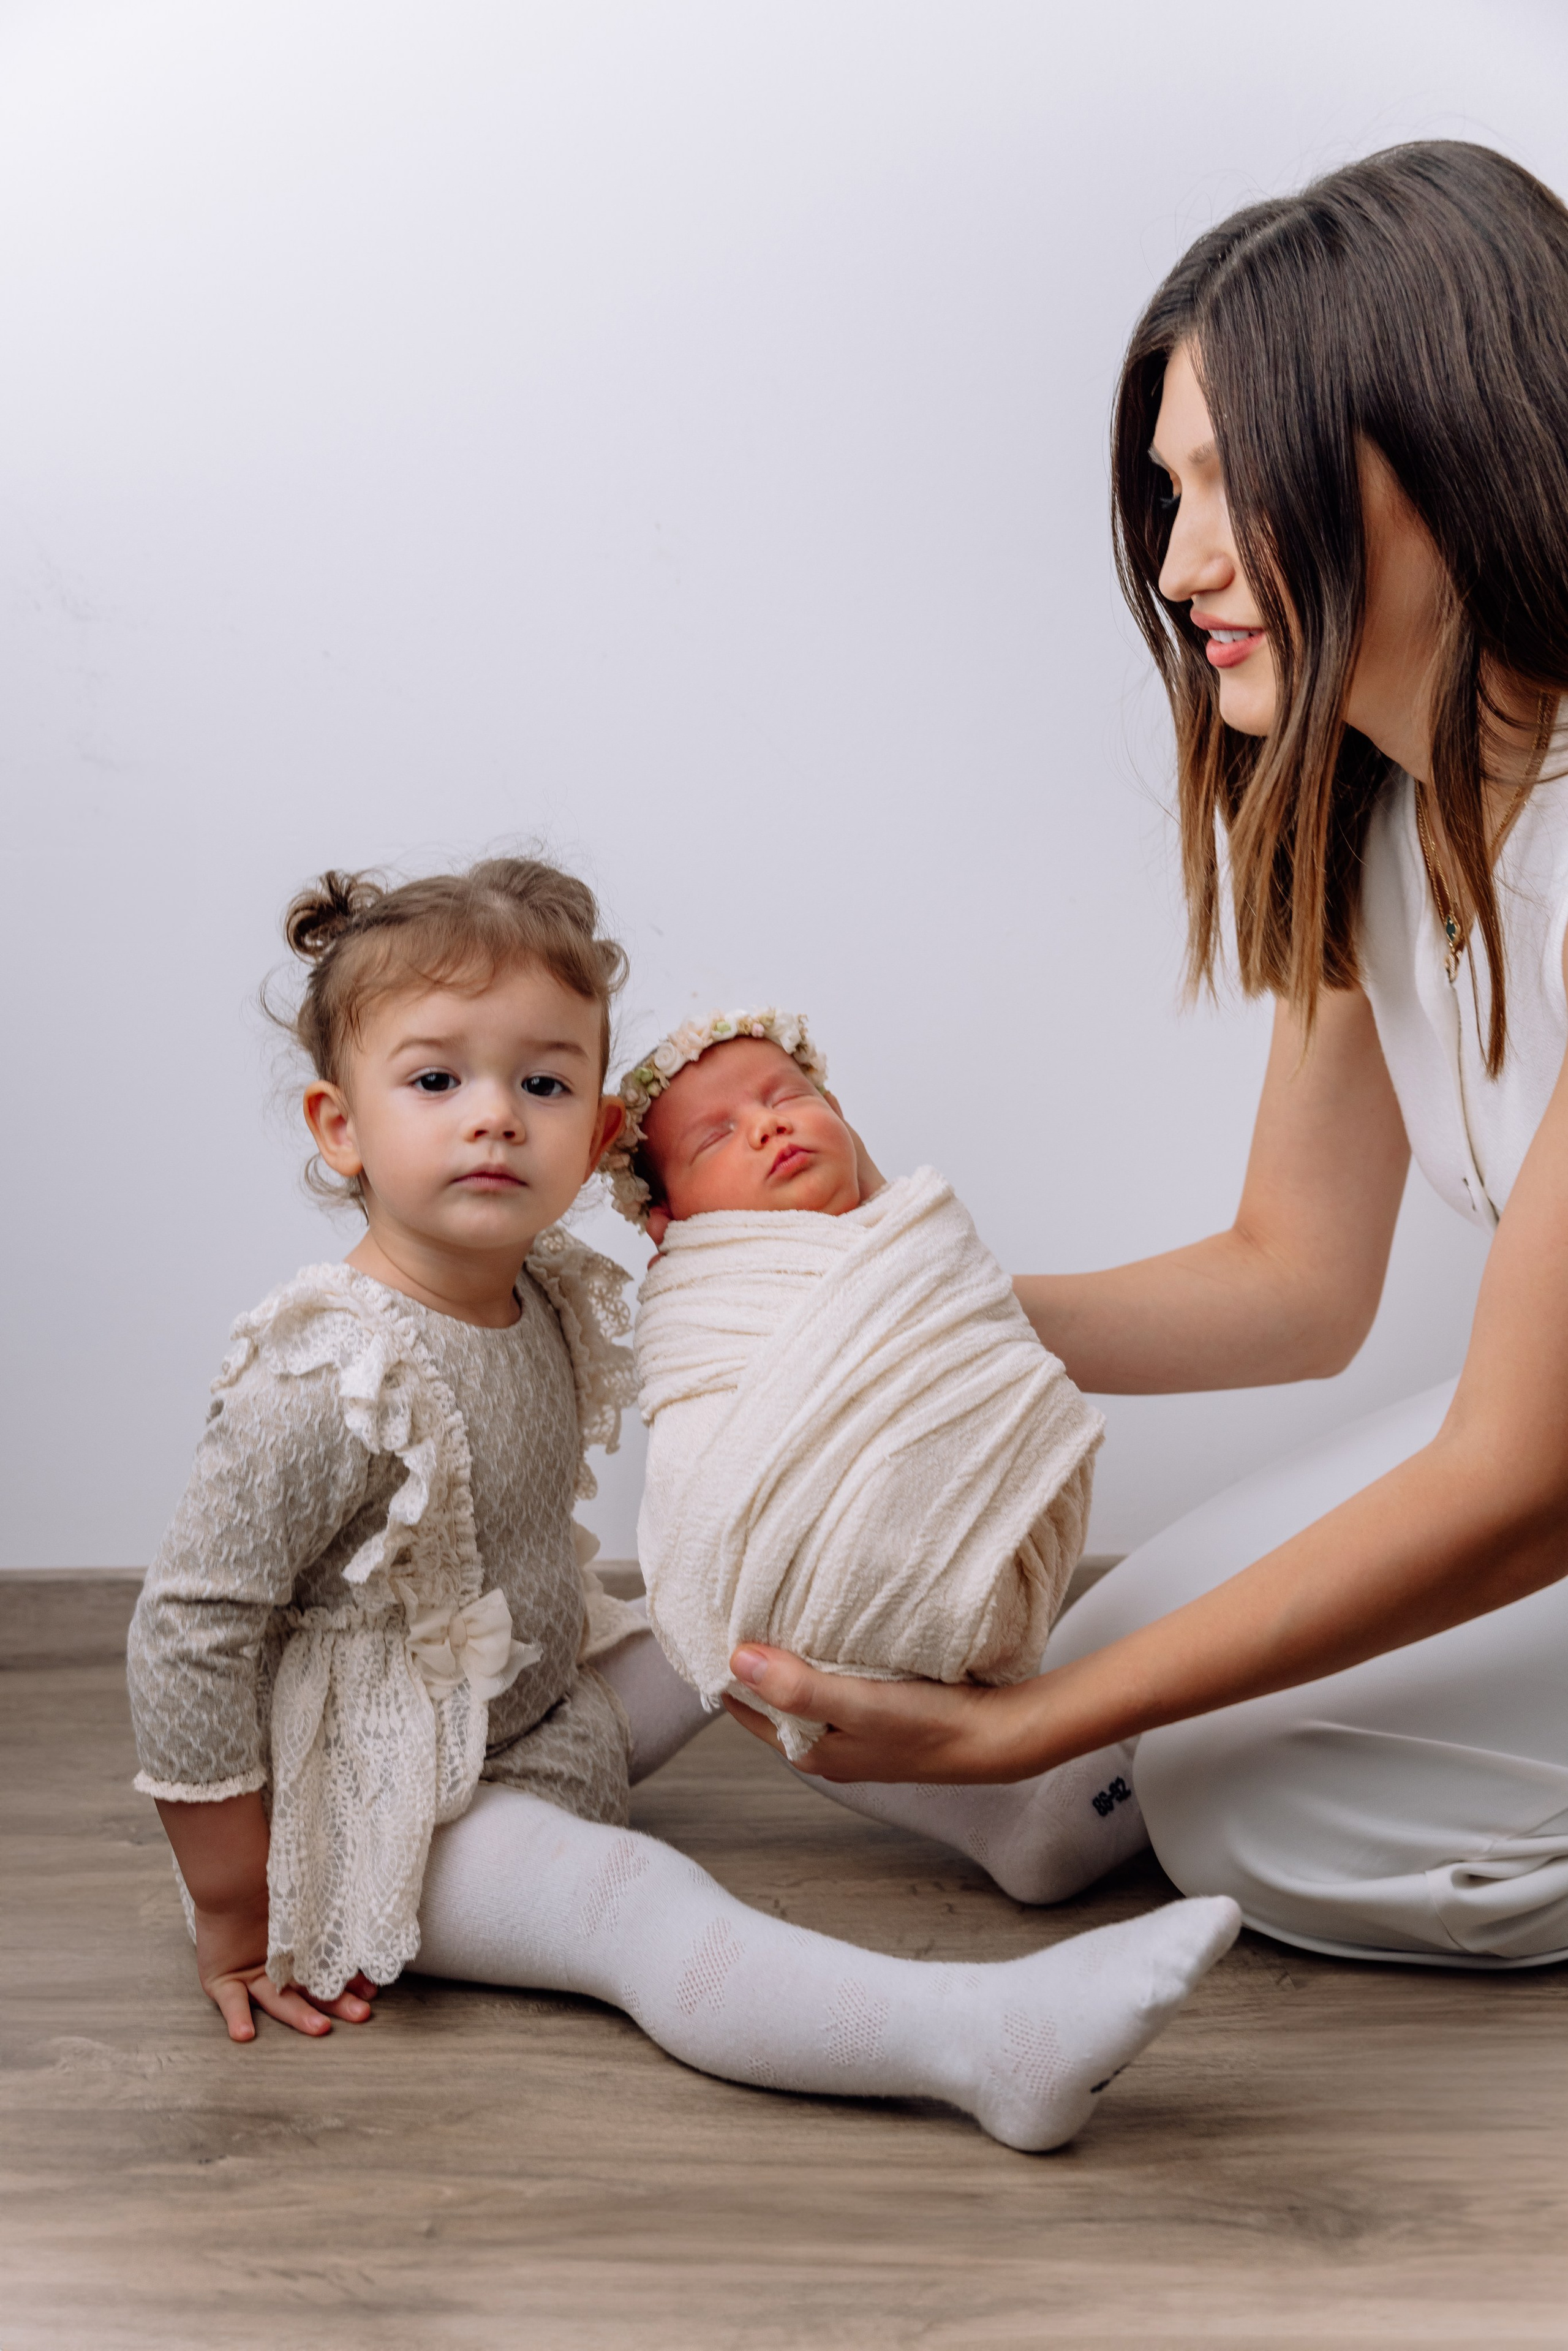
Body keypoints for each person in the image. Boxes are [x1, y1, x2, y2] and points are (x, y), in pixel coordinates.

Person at [723, 138, 1568, 1971]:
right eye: (1164, 488)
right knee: (1047, 1790)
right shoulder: (1378, 820)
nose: (1180, 564)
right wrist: (896, 1296)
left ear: (1454, 448)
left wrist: (1036, 1722)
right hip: (1539, 1445)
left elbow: (1519, 1481)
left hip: (1542, 1465)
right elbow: (1293, 1280)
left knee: (1229, 1795)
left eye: (1234, 481)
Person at [125, 852, 1237, 2152]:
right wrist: (233, 1901)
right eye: (435, 1080)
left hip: (545, 1695)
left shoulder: (539, 1289)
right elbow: (187, 1629)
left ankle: (1026, 1819)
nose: (493, 1117)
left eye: (541, 1082)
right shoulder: (329, 1374)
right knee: (632, 1902)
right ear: (340, 1125)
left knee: (746, 1626)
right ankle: (983, 2043)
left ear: (597, 1135)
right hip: (388, 1808)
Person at [606, 1009, 1099, 1757]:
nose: (766, 1129)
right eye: (714, 1136)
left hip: (981, 1549)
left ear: (839, 1116)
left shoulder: (915, 1237)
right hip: (784, 1582)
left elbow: (986, 1351)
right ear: (666, 1221)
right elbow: (692, 1450)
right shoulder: (700, 1300)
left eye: (785, 1099)